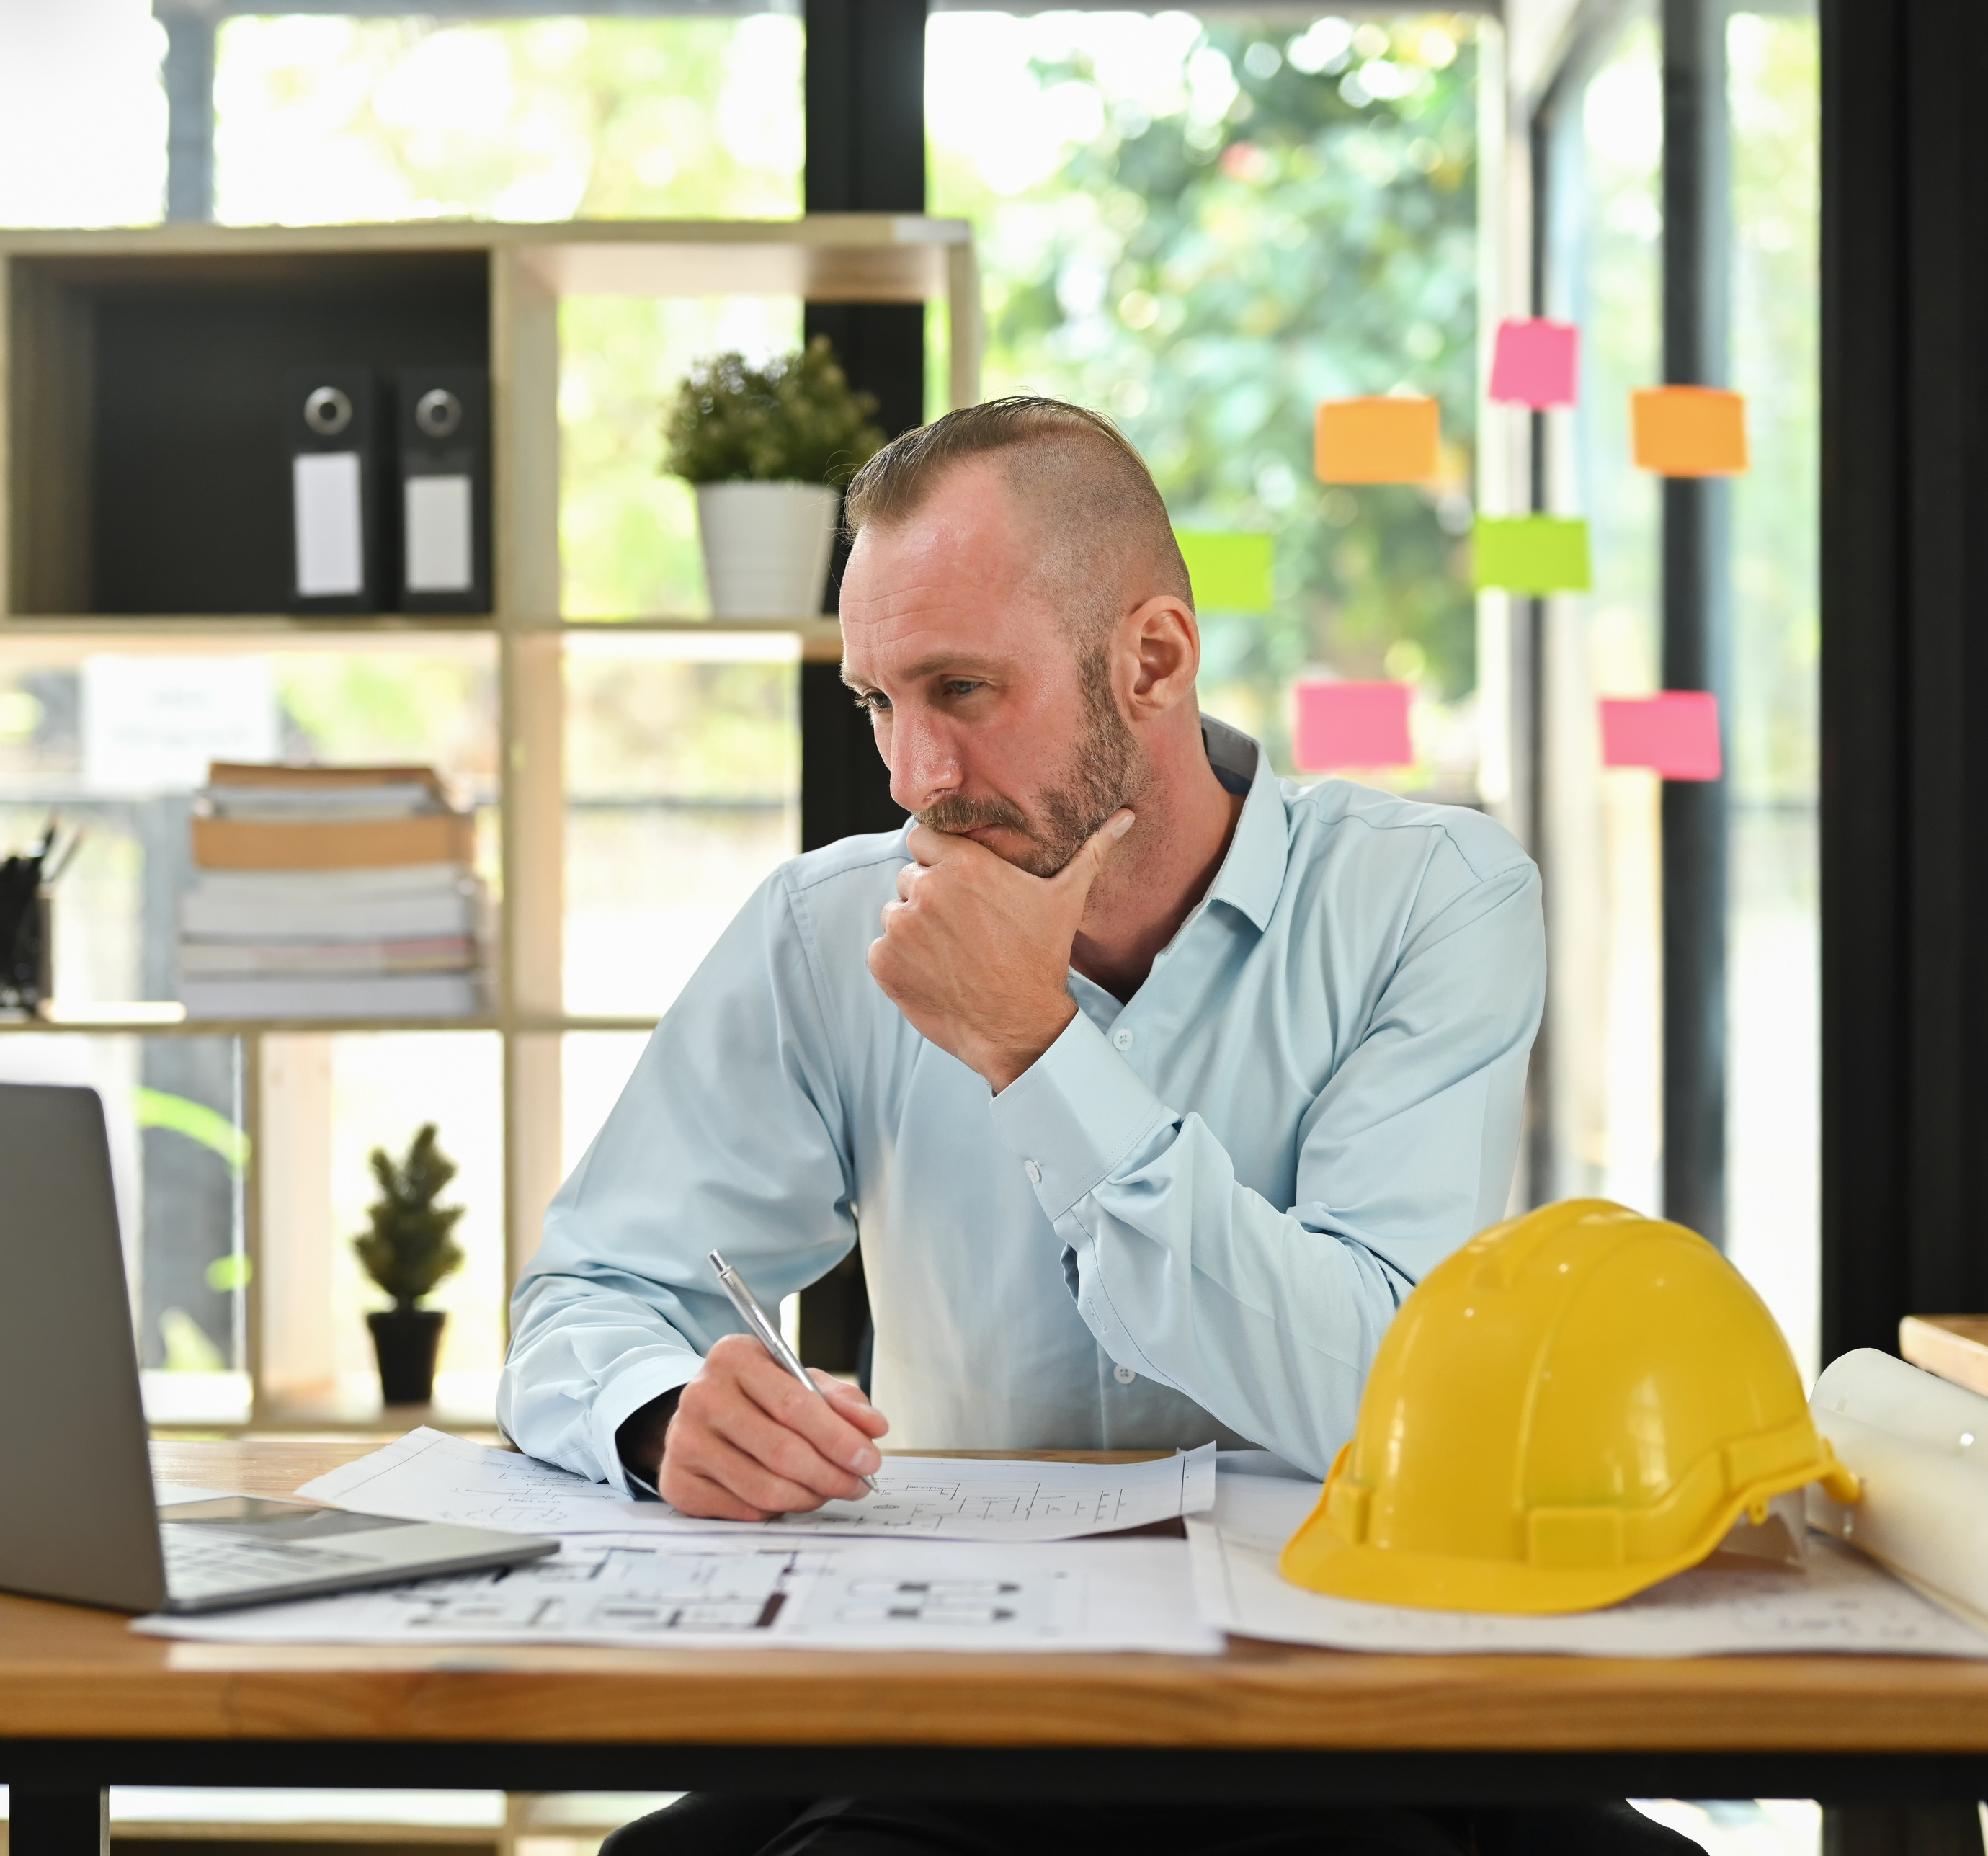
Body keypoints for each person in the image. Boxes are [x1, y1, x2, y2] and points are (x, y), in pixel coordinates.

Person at [502, 398, 1693, 1856]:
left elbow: (1375, 1382)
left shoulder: (1432, 900)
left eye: (961, 691)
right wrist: (657, 1410)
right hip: (965, 1689)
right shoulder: (823, 929)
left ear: (1154, 660)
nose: (912, 778)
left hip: (1345, 1689)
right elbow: (587, 1291)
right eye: (878, 702)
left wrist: (1033, 1044)